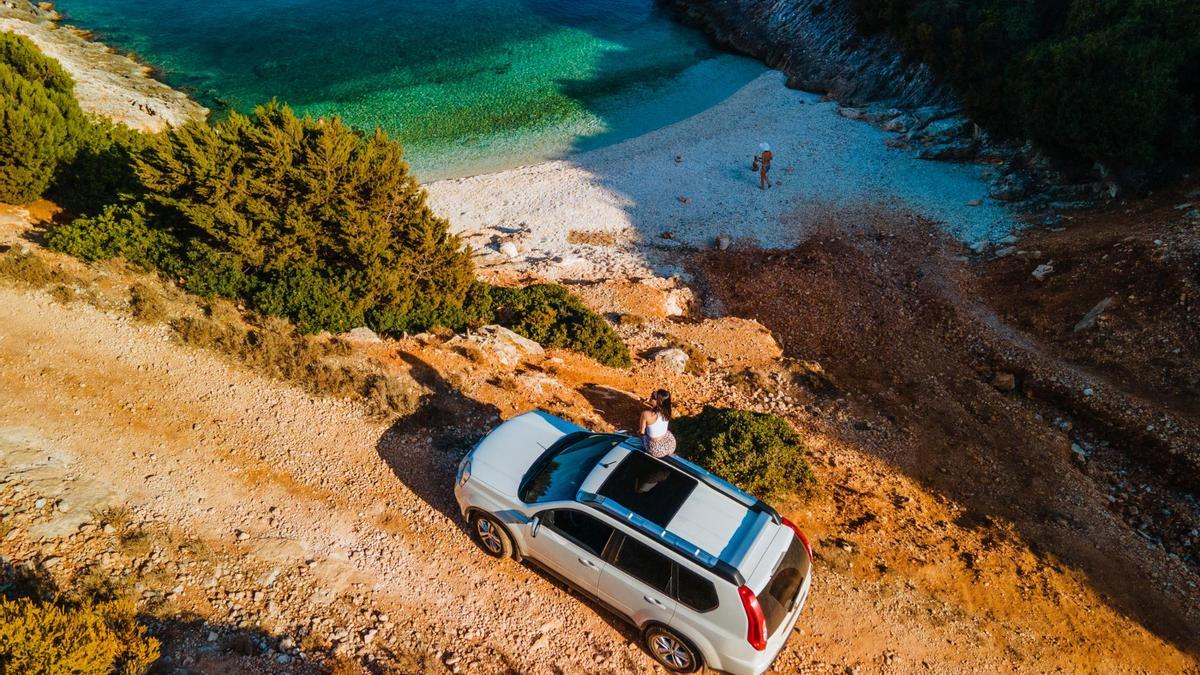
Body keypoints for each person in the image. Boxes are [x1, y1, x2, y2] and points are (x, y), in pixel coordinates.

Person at [639, 389, 676, 458]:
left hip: (656, 450)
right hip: (670, 445)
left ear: (655, 401)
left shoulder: (646, 414)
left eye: (652, 397)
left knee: (642, 436)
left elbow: (642, 432)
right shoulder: (667, 411)